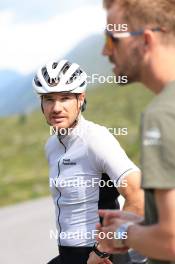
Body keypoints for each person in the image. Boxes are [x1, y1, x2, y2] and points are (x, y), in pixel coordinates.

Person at [32, 59, 144, 264]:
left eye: (65, 98)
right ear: (41, 103)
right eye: (48, 99)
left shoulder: (96, 139)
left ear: (80, 99)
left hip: (101, 256)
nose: (56, 107)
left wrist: (103, 251)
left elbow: (138, 196)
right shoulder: (52, 145)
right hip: (69, 254)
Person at [95, 0, 175, 263]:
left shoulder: (162, 114)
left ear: (146, 40)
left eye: (112, 39)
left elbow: (171, 242)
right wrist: (146, 222)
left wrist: (122, 232)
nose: (104, 52)